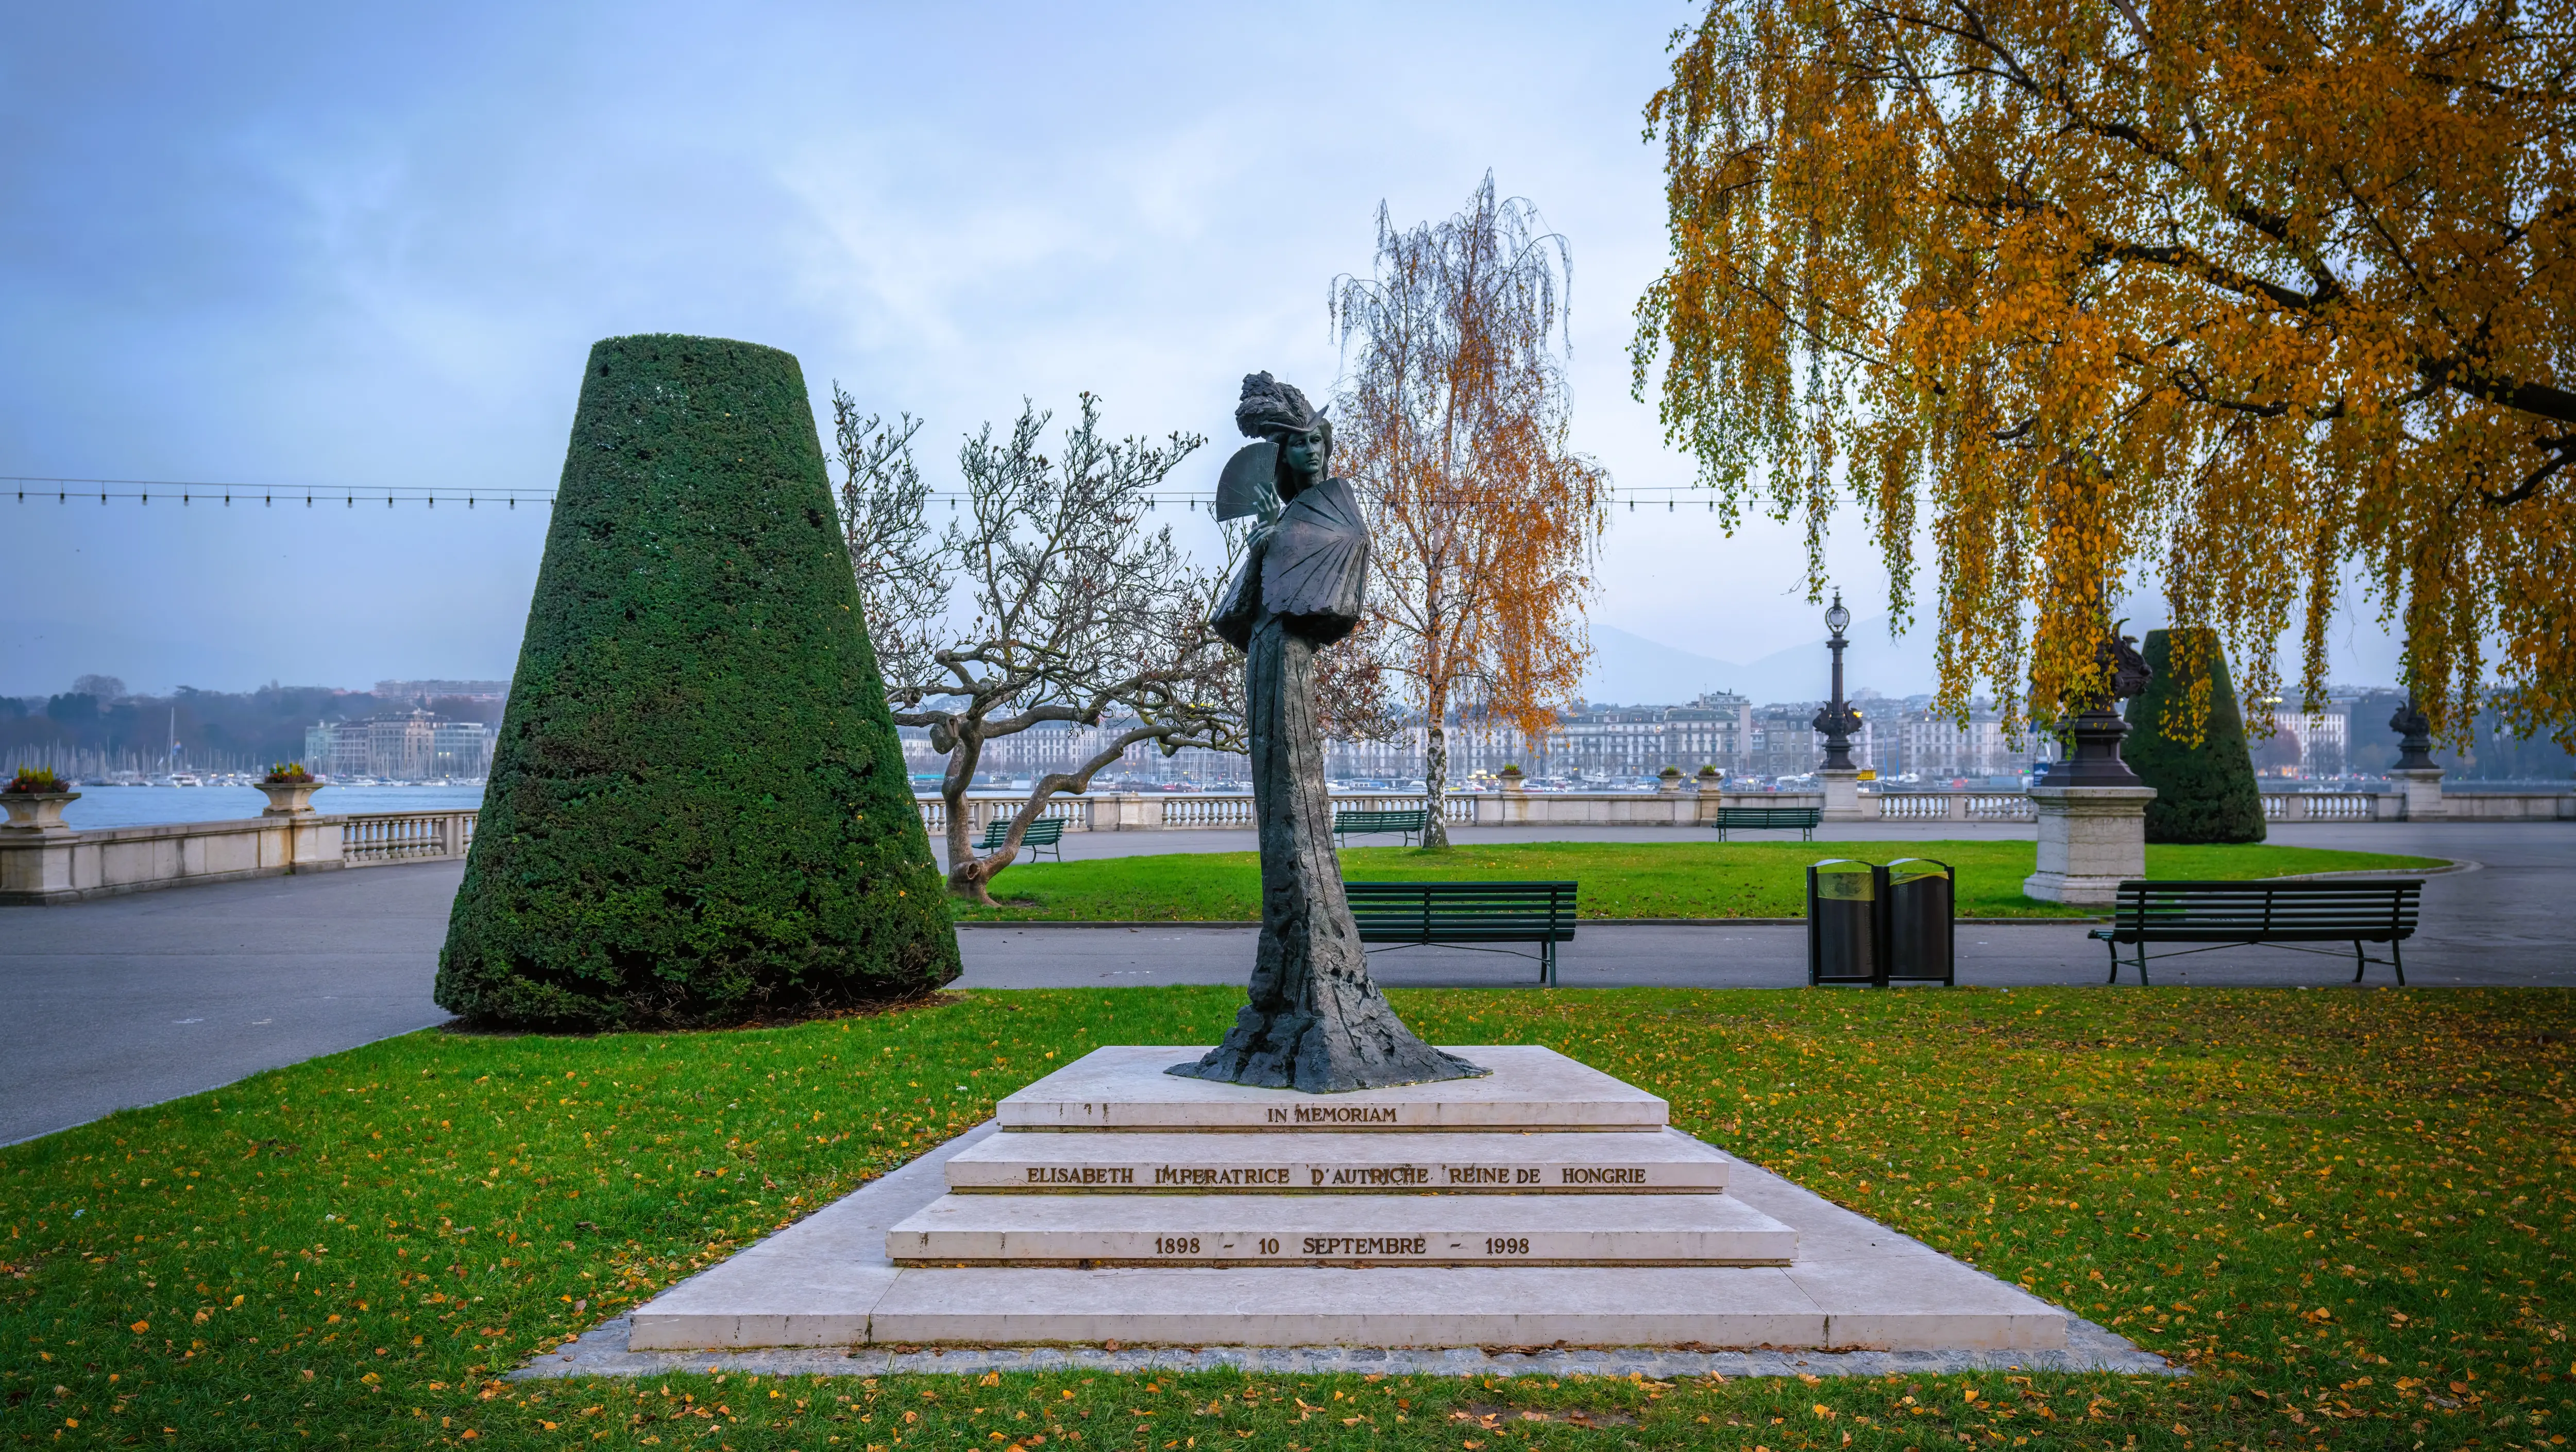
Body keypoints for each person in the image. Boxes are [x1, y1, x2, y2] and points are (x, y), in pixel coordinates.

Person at [1170, 373, 1484, 1092]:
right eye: (1297, 445)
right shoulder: (1280, 520)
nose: (1309, 452)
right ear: (1284, 458)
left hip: (1296, 663)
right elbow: (1242, 615)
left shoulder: (1337, 506)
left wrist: (1282, 543)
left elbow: (1340, 574)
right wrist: (1260, 547)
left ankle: (1318, 986)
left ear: (1326, 444)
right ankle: (1283, 989)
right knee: (1277, 802)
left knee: (1298, 800)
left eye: (1316, 439)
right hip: (1268, 660)